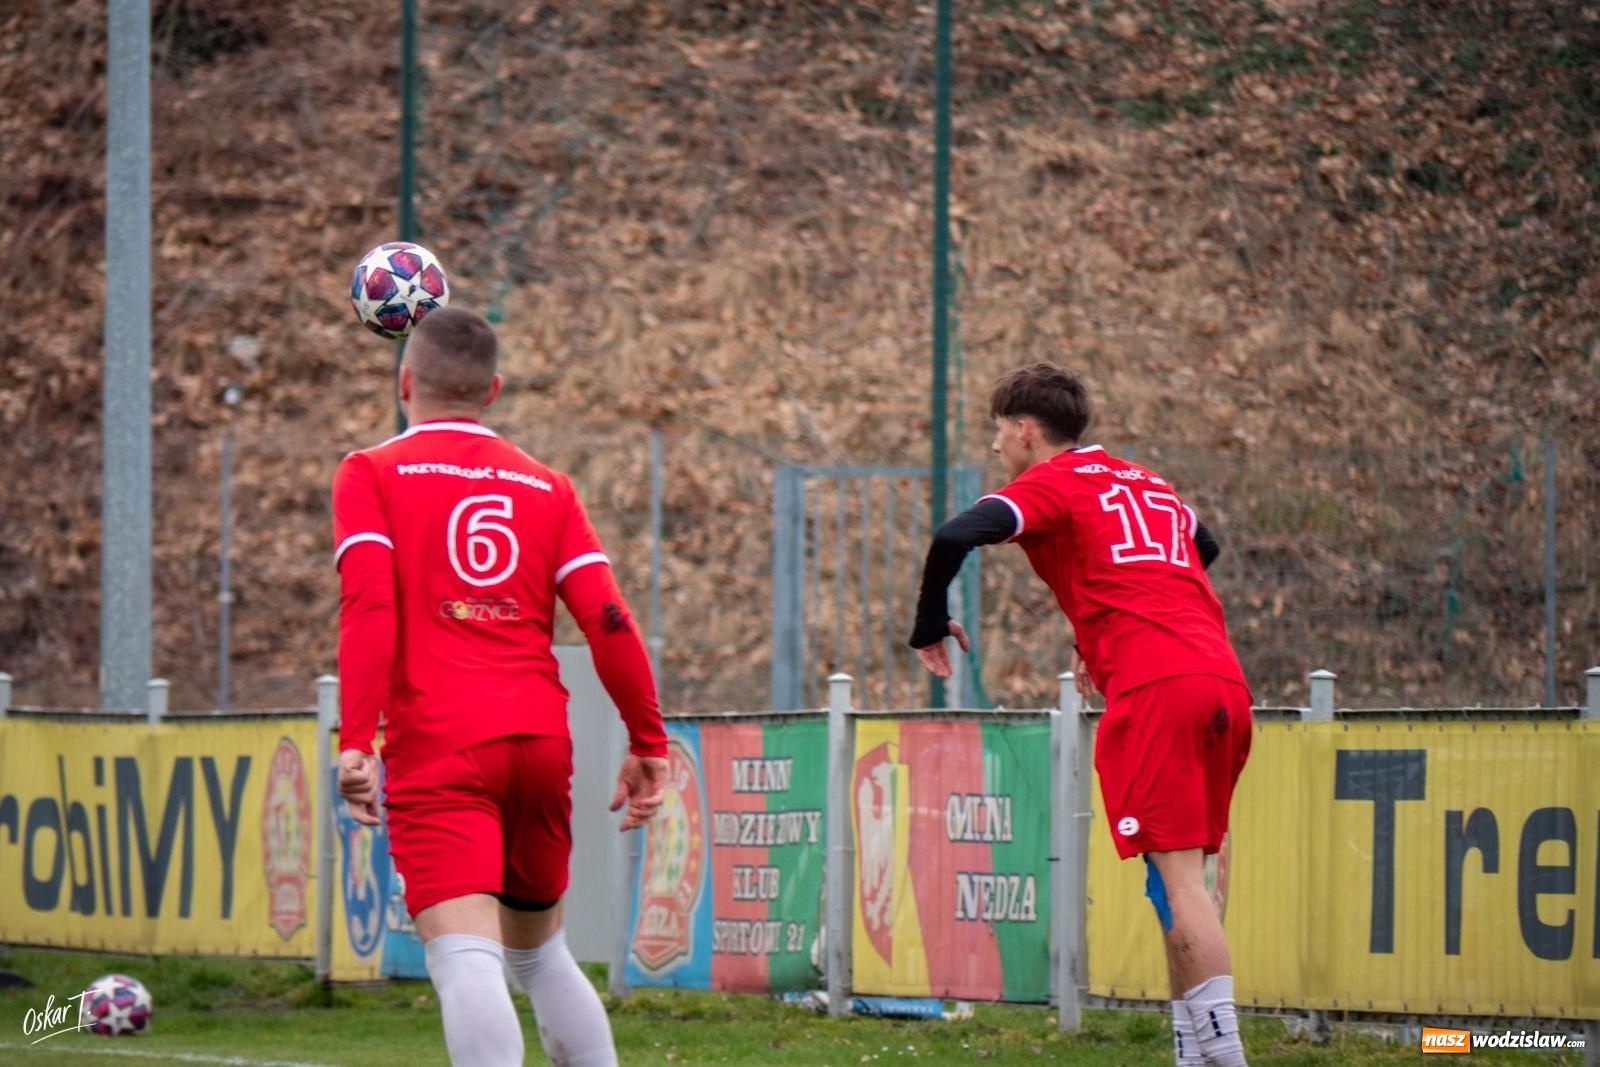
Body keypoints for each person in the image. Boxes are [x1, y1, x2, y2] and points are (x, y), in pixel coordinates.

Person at [331, 306, 670, 1067]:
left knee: (465, 960)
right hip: (540, 743)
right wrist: (648, 739)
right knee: (541, 955)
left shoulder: (371, 473)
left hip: (442, 743)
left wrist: (357, 741)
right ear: (494, 390)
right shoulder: (546, 487)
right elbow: (609, 619)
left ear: (405, 380)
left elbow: (370, 606)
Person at [907, 362, 1252, 1067]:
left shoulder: (1048, 484)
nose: (997, 447)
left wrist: (928, 625)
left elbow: (953, 536)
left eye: (999, 433)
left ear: (1025, 430)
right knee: (1182, 873)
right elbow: (1202, 545)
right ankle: (1195, 1051)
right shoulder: (1146, 480)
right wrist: (1114, 619)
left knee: (1182, 882)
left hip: (1158, 688)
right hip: (1220, 676)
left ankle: (1226, 1054)